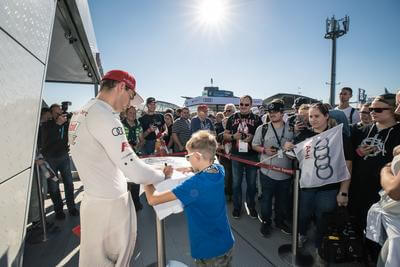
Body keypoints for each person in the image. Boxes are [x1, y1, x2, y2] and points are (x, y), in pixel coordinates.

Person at [68, 70, 172, 267]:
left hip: (93, 199)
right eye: (131, 97)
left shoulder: (82, 111)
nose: (129, 104)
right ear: (122, 87)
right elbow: (134, 170)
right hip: (111, 205)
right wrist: (161, 174)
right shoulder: (104, 115)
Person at [144, 130, 235, 266]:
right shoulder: (218, 169)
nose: (187, 158)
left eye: (188, 156)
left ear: (197, 155)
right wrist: (191, 169)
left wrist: (146, 178)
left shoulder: (194, 184)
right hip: (225, 242)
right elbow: (209, 162)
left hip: (209, 251)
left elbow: (153, 199)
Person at [285, 103, 353, 259]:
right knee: (303, 215)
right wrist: (288, 147)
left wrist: (344, 190)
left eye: (317, 116)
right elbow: (293, 154)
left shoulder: (339, 136)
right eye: (310, 116)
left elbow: (348, 164)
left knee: (323, 218)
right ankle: (301, 235)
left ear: (326, 116)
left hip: (328, 189)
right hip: (307, 186)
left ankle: (319, 246)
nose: (313, 120)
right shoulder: (303, 135)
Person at [252, 100, 294, 237]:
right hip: (267, 172)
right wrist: (264, 150)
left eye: (275, 112)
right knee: (266, 199)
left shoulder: (292, 128)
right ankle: (266, 222)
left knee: (282, 200)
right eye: (270, 112)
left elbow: (298, 148)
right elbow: (254, 145)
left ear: (282, 113)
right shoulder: (262, 128)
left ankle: (280, 221)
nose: (272, 114)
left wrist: (292, 151)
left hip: (286, 173)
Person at [224, 95, 262, 219]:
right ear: (238, 105)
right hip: (236, 156)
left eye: (246, 104)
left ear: (251, 105)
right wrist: (234, 137)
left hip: (252, 156)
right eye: (241, 104)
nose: (243, 107)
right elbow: (225, 136)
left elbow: (261, 138)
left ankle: (251, 207)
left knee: (251, 184)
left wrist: (253, 138)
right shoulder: (232, 118)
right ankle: (237, 207)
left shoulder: (257, 119)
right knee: (236, 184)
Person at [41, 104, 79, 220]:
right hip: (50, 159)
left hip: (64, 158)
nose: (59, 115)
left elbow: (73, 134)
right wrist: (57, 124)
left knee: (69, 183)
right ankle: (58, 210)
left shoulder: (65, 123)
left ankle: (71, 207)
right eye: (57, 113)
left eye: (60, 112)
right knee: (53, 186)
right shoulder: (46, 126)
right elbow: (45, 142)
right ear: (52, 114)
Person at [121, 106, 144, 211]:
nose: (133, 115)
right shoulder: (120, 125)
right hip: (122, 157)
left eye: (134, 113)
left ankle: (136, 202)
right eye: (130, 113)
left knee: (136, 179)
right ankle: (125, 204)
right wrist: (128, 146)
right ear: (126, 114)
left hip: (135, 155)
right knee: (123, 181)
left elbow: (142, 140)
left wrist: (137, 146)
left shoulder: (138, 126)